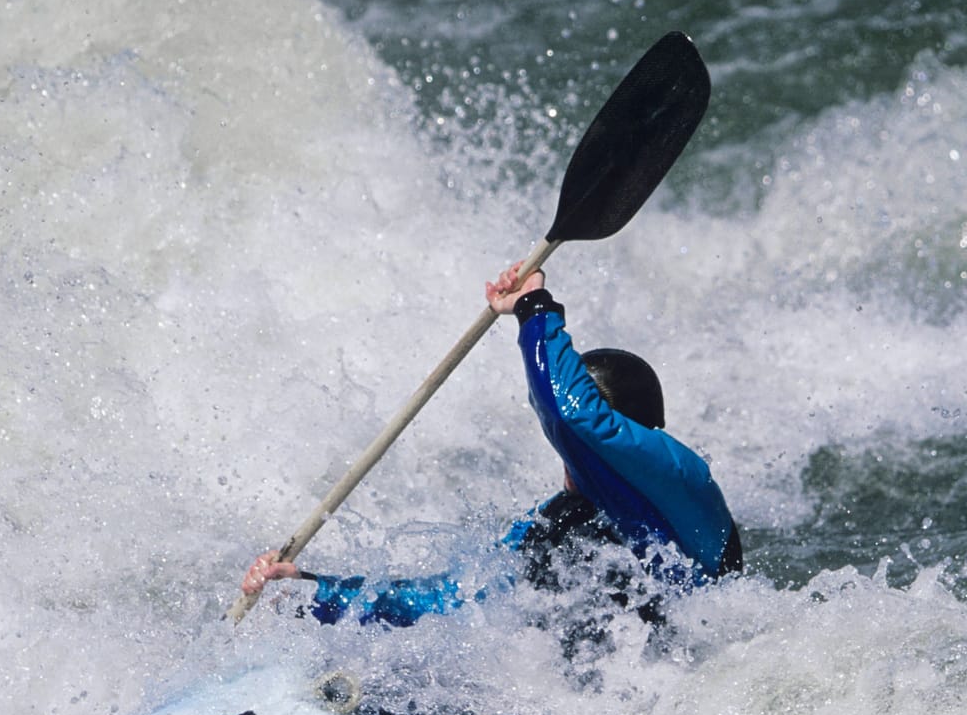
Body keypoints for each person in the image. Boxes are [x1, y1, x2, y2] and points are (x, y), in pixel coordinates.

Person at [240, 261, 741, 635]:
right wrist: (309, 590)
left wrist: (534, 307)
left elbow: (576, 416)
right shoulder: (558, 522)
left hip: (685, 706)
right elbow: (446, 602)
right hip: (588, 707)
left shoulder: (683, 486)